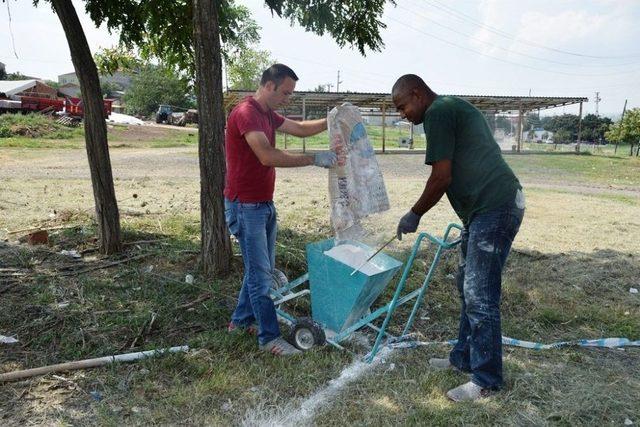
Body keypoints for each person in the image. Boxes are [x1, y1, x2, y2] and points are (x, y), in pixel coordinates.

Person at [392, 74, 525, 401]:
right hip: (484, 211)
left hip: (495, 207)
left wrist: (415, 213)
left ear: (417, 93)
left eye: (403, 106)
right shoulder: (448, 107)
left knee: (480, 293)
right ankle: (463, 358)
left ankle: (487, 380)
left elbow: (441, 176)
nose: (403, 114)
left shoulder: (437, 112)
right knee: (467, 285)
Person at [224, 64, 337, 356]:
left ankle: (240, 322)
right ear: (269, 86)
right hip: (246, 206)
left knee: (258, 271)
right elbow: (266, 156)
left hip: (262, 203)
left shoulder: (266, 114)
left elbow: (299, 129)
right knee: (262, 277)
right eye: (286, 92)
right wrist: (316, 158)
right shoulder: (246, 113)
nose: (288, 98)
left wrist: (332, 119)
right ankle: (268, 339)